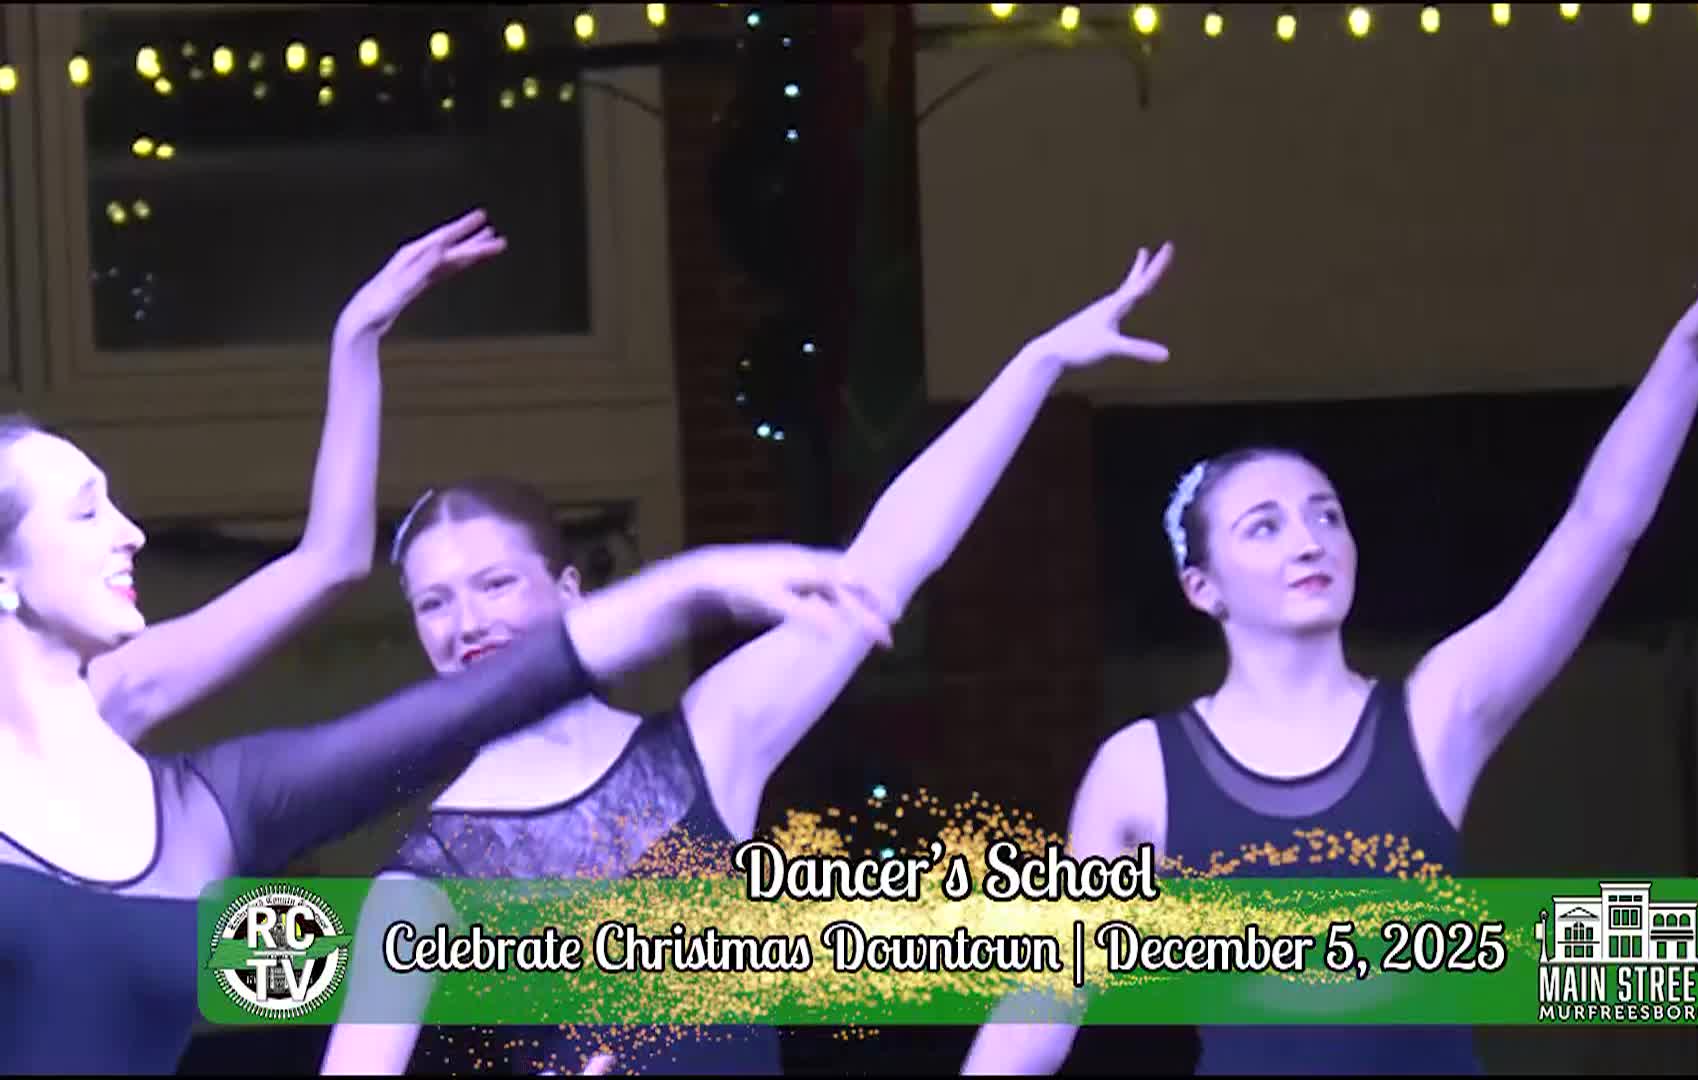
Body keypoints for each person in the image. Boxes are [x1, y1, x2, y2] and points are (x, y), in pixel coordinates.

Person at [961, 202, 1698, 1075]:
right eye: (1264, 527)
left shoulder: (1437, 712)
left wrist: (1693, 346)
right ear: (1201, 586)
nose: (1309, 541)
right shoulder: (1141, 768)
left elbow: (1601, 528)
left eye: (1325, 516)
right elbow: (1044, 1001)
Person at [316, 244, 1179, 1075]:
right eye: (435, 602)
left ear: (572, 591)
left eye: (496, 584)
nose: (466, 622)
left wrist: (1035, 366)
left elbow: (886, 562)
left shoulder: (705, 745)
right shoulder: (429, 875)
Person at [0, 392, 890, 1074]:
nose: (131, 532)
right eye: (86, 510)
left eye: (497, 587)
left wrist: (695, 584)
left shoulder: (208, 800)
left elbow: (461, 706)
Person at [93, 209, 503, 746]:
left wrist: (357, 335)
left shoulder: (100, 692)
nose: (130, 533)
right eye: (83, 512)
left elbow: (329, 561)